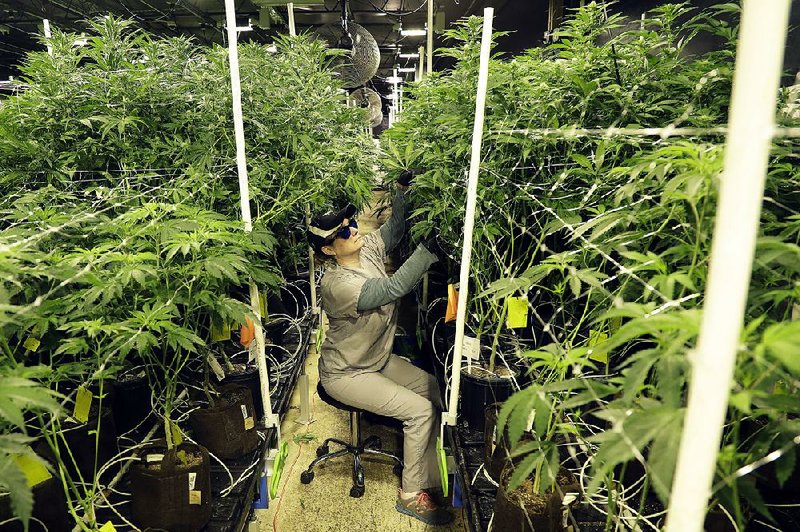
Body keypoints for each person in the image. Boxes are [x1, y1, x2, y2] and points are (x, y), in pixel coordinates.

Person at [307, 176, 452, 527]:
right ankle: (409, 496)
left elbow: (395, 229)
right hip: (346, 373)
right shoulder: (337, 285)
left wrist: (401, 191)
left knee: (435, 390)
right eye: (342, 234)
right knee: (418, 411)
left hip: (376, 360)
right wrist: (428, 251)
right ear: (327, 250)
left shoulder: (367, 249)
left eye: (351, 224)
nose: (352, 231)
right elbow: (394, 286)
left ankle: (430, 479)